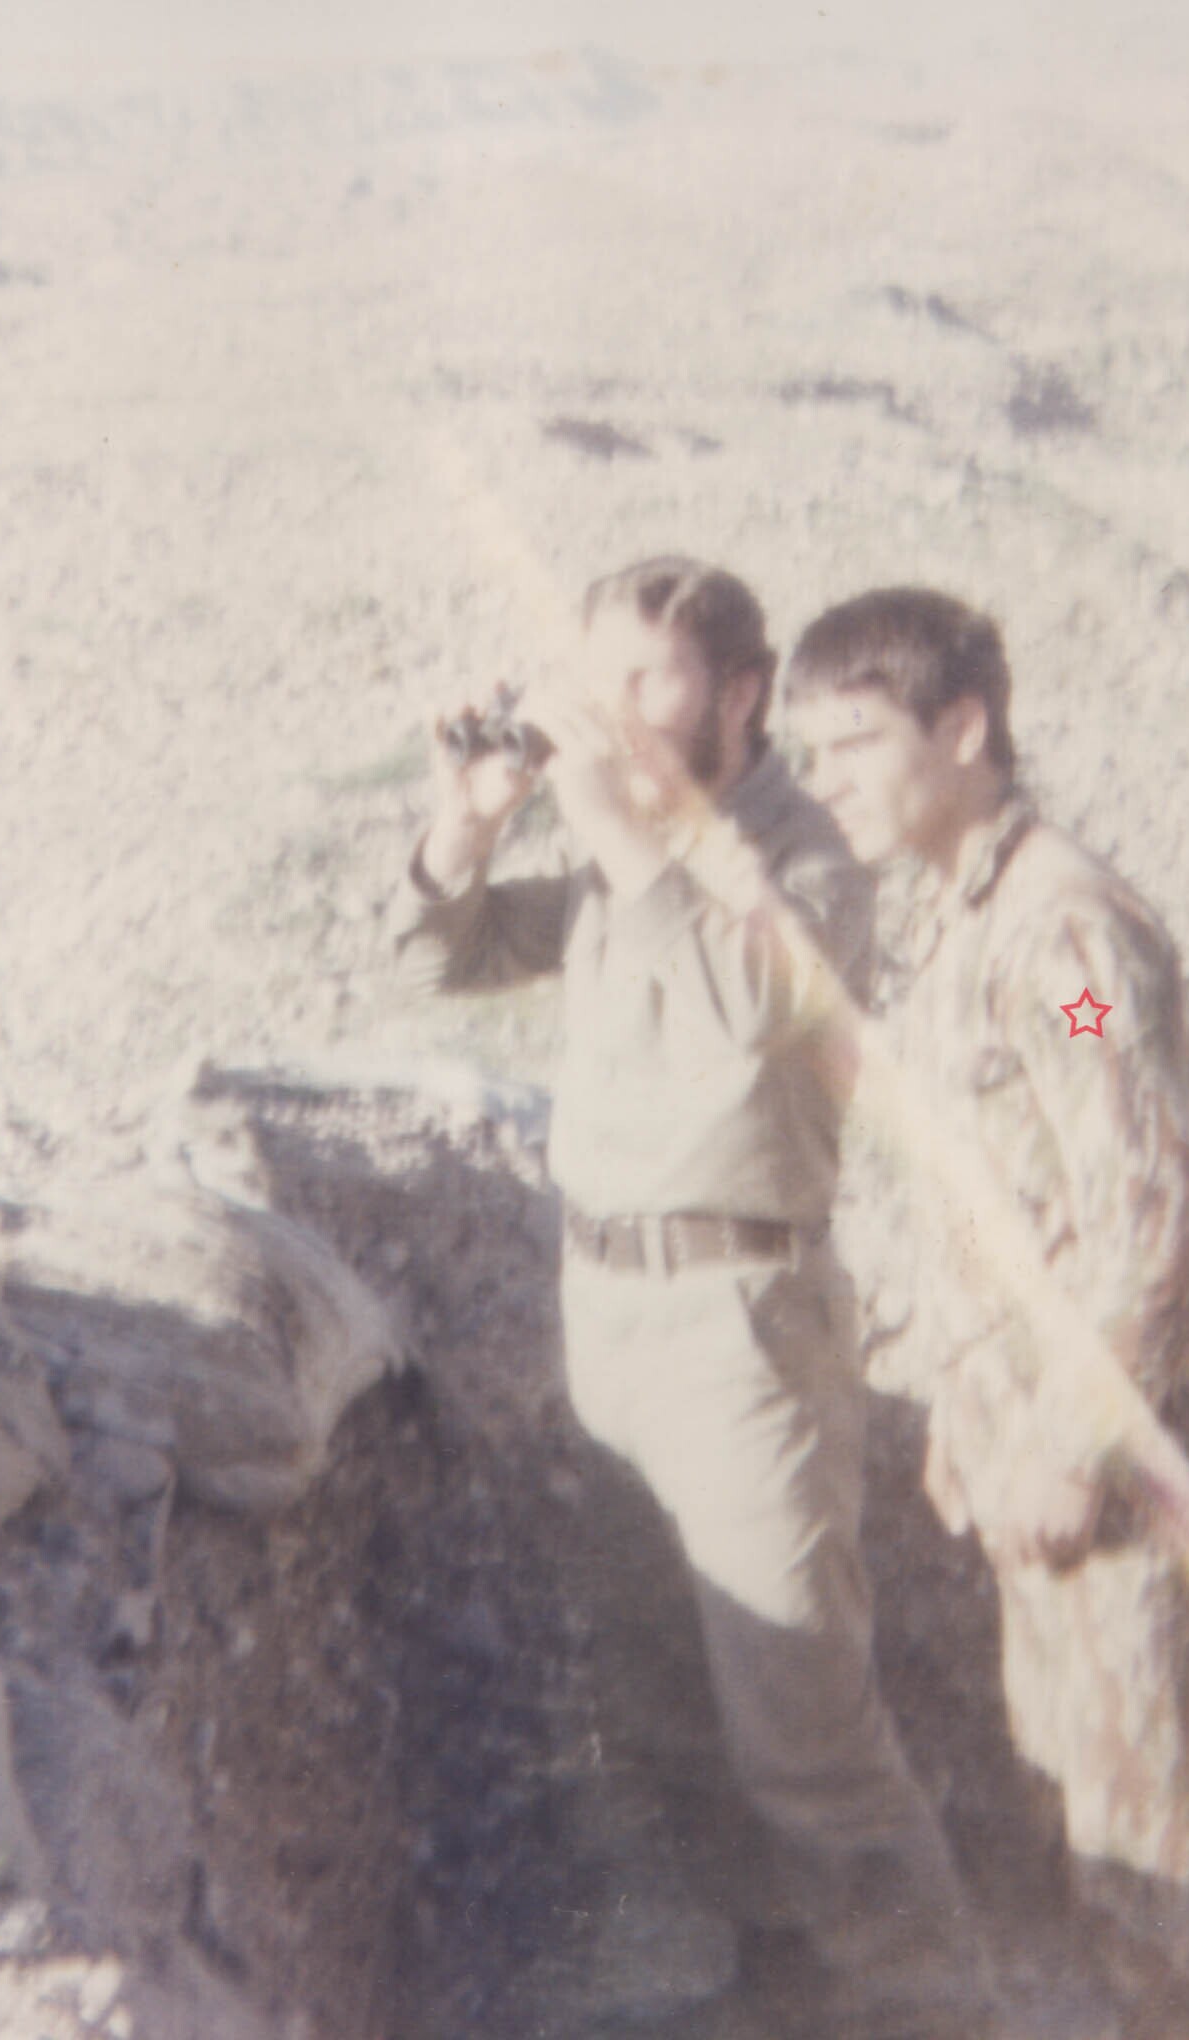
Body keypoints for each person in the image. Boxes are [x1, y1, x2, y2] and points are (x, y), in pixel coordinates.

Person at [387, 557, 985, 2038]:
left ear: (740, 695)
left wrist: (611, 812)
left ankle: (951, 2003)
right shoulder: (642, 851)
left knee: (806, 1728)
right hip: (616, 1319)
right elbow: (448, 955)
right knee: (658, 1704)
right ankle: (768, 1990)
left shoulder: (822, 863)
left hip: (744, 1333)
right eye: (600, 680)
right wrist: (466, 828)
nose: (615, 714)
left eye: (647, 680)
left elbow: (738, 1008)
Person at [786, 587, 1189, 2038]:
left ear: (964, 731)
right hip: (1042, 1466)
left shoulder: (1064, 946)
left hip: (1127, 1480)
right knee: (1104, 1862)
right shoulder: (968, 916)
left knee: (1171, 1900)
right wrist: (969, 1406)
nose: (826, 783)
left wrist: (1072, 1447)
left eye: (856, 744)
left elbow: (1149, 1218)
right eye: (810, 753)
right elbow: (994, 1204)